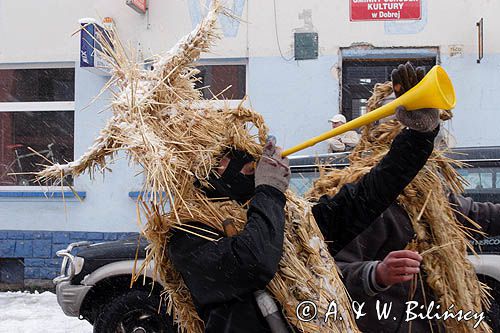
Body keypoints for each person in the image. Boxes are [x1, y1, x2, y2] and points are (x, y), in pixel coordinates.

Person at [168, 63, 442, 332]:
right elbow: (256, 263)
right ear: (203, 175)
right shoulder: (188, 235)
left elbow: (365, 198)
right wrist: (269, 192)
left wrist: (419, 137)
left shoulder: (285, 217)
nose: (246, 163)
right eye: (225, 159)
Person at [317, 63, 500, 332]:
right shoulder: (357, 196)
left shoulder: (429, 196)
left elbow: (475, 216)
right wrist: (377, 273)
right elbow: (327, 272)